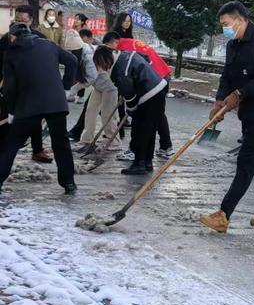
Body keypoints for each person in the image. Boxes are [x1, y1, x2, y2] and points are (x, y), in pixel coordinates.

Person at [200, 1, 254, 233]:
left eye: (227, 24)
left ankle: (223, 214)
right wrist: (220, 101)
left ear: (240, 20)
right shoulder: (233, 44)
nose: (224, 29)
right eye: (222, 26)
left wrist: (239, 94)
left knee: (247, 160)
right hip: (249, 109)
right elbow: (227, 75)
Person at [0, 23, 78, 194]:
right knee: (61, 143)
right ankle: (69, 183)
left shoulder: (11, 53)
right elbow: (72, 61)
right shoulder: (48, 44)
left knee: (12, 144)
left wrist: (12, 111)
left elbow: (9, 87)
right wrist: (65, 88)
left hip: (28, 105)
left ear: (13, 37)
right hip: (55, 103)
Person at [92, 46, 167, 174]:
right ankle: (147, 162)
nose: (100, 68)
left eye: (100, 64)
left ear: (105, 59)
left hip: (149, 93)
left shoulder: (120, 68)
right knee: (150, 129)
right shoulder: (124, 55)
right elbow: (145, 60)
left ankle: (139, 164)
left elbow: (129, 93)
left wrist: (131, 109)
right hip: (158, 87)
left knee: (140, 129)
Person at [102, 31, 174, 161]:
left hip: (154, 79)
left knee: (145, 116)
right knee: (157, 115)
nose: (109, 52)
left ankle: (136, 150)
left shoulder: (124, 49)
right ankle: (165, 147)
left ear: (114, 43)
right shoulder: (129, 42)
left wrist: (130, 95)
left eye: (108, 47)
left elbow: (128, 73)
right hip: (160, 76)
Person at [0, 6, 52, 163]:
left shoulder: (39, 39)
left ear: (31, 21)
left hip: (31, 86)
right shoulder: (5, 39)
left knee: (34, 117)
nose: (20, 24)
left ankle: (37, 149)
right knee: (6, 117)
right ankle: (4, 149)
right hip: (8, 84)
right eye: (17, 20)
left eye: (24, 21)